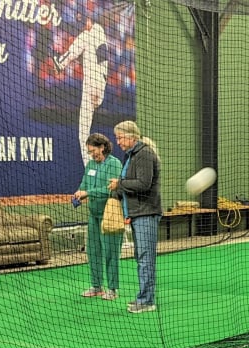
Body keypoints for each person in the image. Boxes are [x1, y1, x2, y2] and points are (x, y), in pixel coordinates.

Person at [110, 120, 161, 314]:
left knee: (146, 257)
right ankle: (143, 296)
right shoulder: (131, 155)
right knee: (141, 257)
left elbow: (143, 184)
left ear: (131, 137)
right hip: (137, 212)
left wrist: (120, 184)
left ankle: (147, 301)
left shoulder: (145, 154)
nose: (118, 142)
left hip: (147, 212)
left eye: (120, 137)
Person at [73, 132, 124, 300]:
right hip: (93, 215)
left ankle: (112, 289)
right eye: (89, 152)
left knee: (110, 252)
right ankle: (96, 287)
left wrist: (88, 192)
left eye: (93, 150)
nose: (91, 154)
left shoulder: (114, 164)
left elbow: (111, 188)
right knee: (93, 251)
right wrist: (79, 194)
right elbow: (84, 183)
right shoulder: (90, 165)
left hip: (109, 215)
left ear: (102, 147)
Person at [52, 14, 108, 166]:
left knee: (83, 132)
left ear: (92, 21)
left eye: (85, 22)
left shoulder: (94, 31)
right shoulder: (99, 35)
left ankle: (61, 62)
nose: (84, 25)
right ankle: (95, 165)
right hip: (100, 86)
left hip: (92, 80)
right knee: (84, 130)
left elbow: (89, 29)